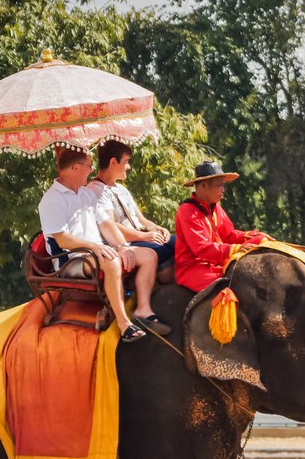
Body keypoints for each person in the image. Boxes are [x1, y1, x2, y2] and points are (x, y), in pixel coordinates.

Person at [37, 148, 166, 342]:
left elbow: (105, 224)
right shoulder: (51, 200)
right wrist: (96, 247)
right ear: (74, 168)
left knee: (149, 255)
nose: (91, 171)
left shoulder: (85, 194)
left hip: (99, 252)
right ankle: (124, 325)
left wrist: (123, 246)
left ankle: (143, 310)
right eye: (88, 166)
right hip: (71, 260)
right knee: (111, 261)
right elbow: (63, 240)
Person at [174, 161, 268, 293]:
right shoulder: (187, 210)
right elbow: (201, 248)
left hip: (216, 263)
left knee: (261, 242)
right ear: (204, 185)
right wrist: (236, 248)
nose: (223, 190)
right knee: (229, 286)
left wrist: (251, 236)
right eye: (220, 186)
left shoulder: (215, 207)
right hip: (193, 268)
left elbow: (229, 235)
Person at [92, 141, 176, 285]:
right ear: (113, 162)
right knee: (162, 251)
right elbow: (111, 226)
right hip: (127, 242)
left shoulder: (121, 189)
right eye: (126, 162)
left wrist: (159, 229)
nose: (129, 166)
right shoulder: (96, 191)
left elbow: (141, 220)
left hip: (141, 235)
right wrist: (144, 237)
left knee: (179, 243)